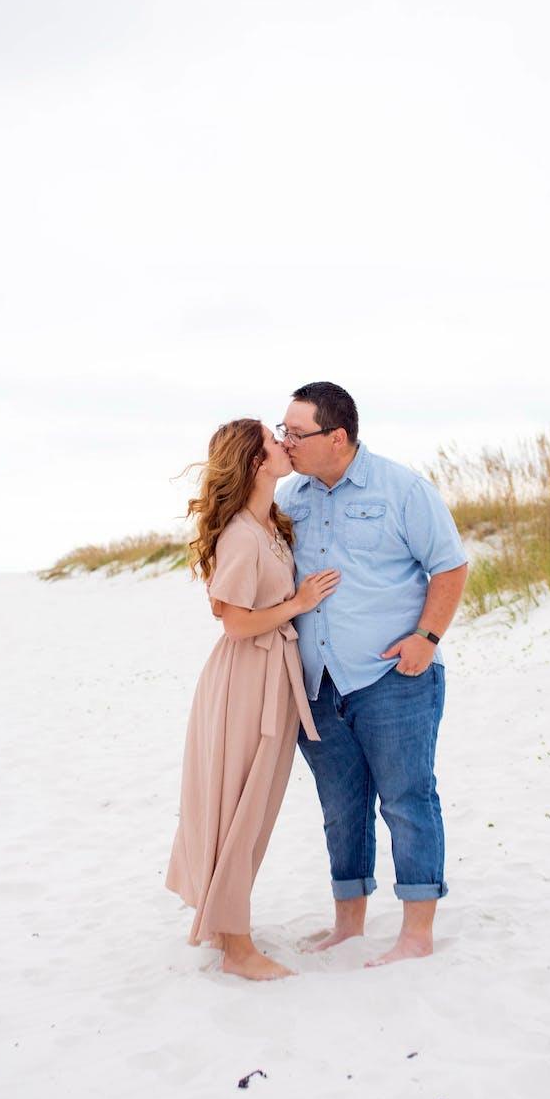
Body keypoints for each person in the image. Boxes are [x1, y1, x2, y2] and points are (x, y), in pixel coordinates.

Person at [275, 382, 468, 966]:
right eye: (281, 430)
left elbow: (450, 565)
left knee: (407, 800)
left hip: (392, 678)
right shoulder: (289, 497)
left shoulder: (403, 489)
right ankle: (349, 925)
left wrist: (426, 638)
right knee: (342, 808)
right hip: (318, 683)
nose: (286, 443)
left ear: (337, 437)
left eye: (296, 432)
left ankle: (416, 934)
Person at [165, 418, 340, 980]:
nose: (284, 445)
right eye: (274, 440)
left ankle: (228, 927)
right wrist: (299, 602)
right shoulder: (242, 532)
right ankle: (237, 949)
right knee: (240, 807)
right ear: (256, 461)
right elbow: (235, 622)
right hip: (246, 681)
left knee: (252, 807)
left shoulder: (268, 523)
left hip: (269, 676)